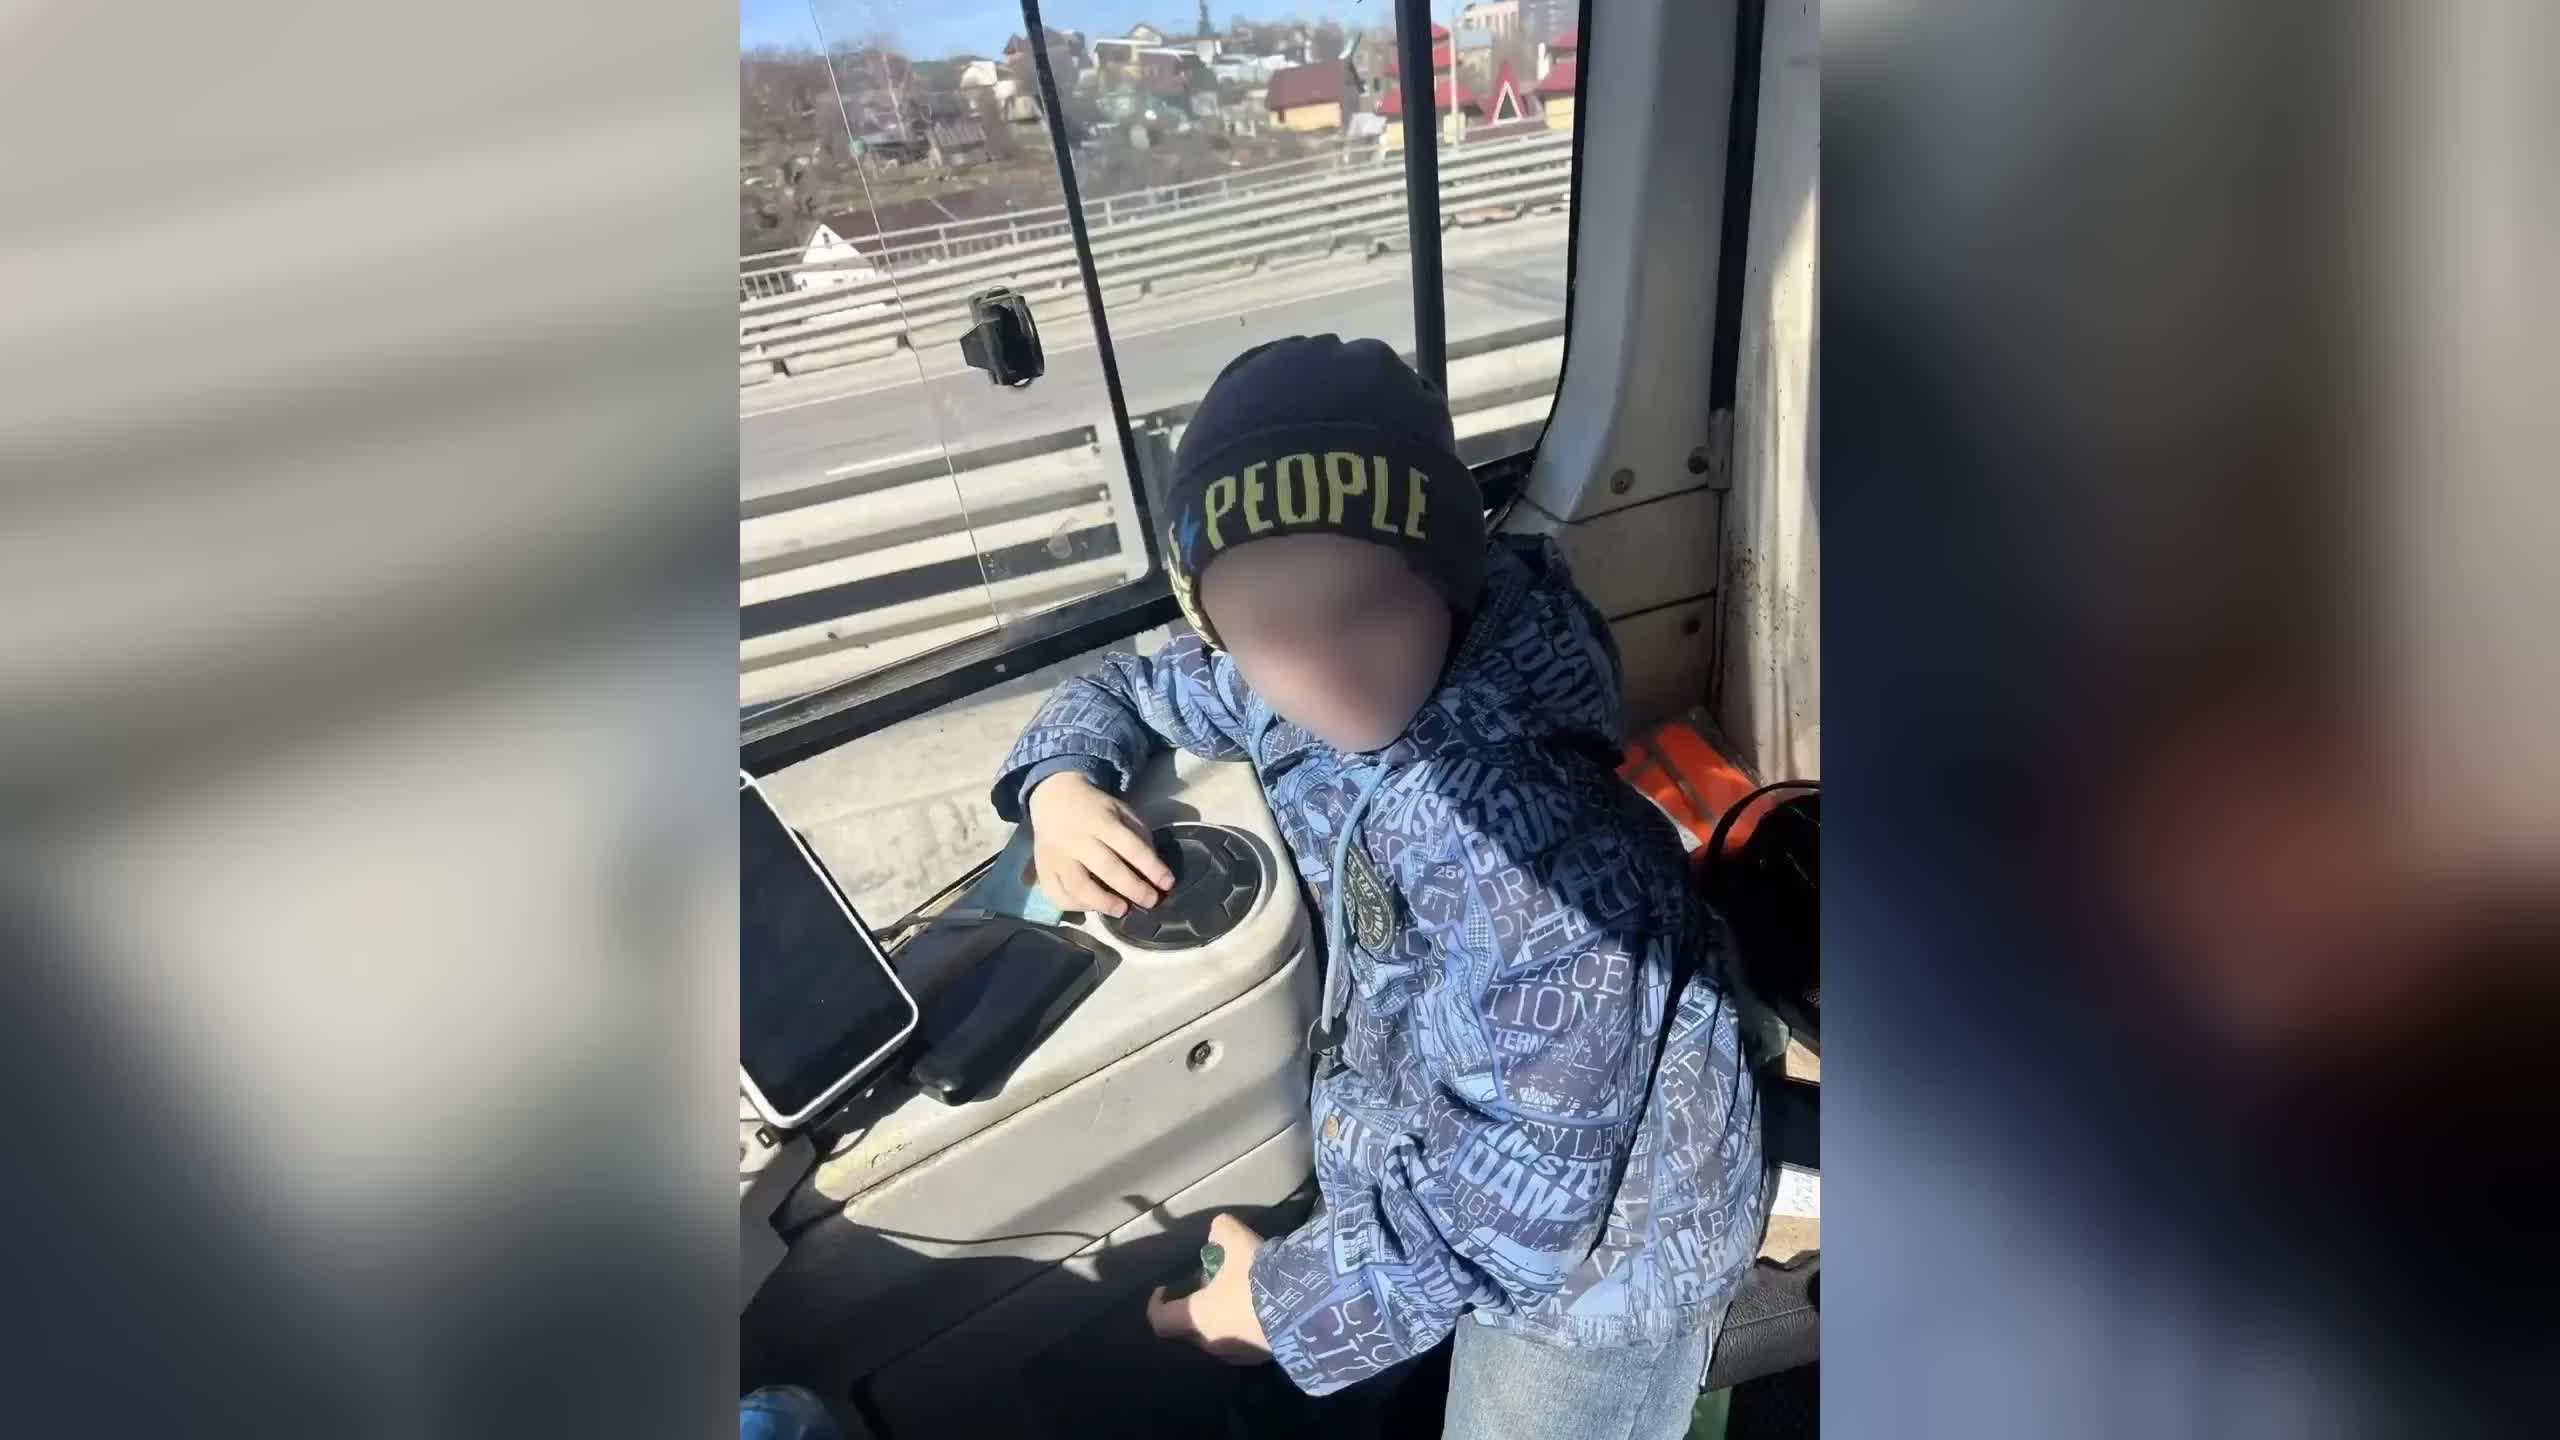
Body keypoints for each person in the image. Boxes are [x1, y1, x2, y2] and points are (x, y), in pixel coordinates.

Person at [989, 336, 1764, 1440]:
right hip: (1424, 1138)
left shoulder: (1537, 855)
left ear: (1446, 580)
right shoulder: (1277, 678)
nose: (1324, 669)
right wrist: (1061, 782)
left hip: (1604, 1266)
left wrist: (1278, 1308)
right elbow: (1129, 681)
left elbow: (1528, 1198)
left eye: (1368, 605)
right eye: (1264, 631)